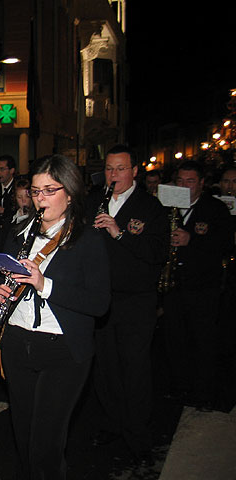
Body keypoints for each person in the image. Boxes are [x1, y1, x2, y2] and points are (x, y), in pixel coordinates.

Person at [0, 154, 111, 479]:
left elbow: (99, 303)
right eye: (35, 191)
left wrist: (45, 284)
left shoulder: (86, 239)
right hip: (17, 342)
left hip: (62, 351)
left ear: (69, 193)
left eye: (49, 190)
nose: (40, 199)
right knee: (24, 436)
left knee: (46, 443)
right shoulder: (18, 233)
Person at [85, 144, 168, 466]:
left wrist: (119, 233)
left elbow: (158, 252)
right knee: (104, 368)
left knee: (135, 370)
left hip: (136, 302)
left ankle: (137, 434)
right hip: (103, 300)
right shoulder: (95, 202)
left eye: (120, 169)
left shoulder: (150, 206)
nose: (113, 175)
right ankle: (111, 423)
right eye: (109, 169)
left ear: (134, 172)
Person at [161, 161, 232, 411]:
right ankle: (180, 386)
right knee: (175, 339)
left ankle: (203, 392)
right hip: (174, 286)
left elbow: (224, 244)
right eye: (180, 181)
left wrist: (191, 240)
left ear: (201, 183)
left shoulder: (215, 209)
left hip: (203, 287)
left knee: (203, 342)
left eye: (190, 181)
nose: (184, 186)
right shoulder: (168, 206)